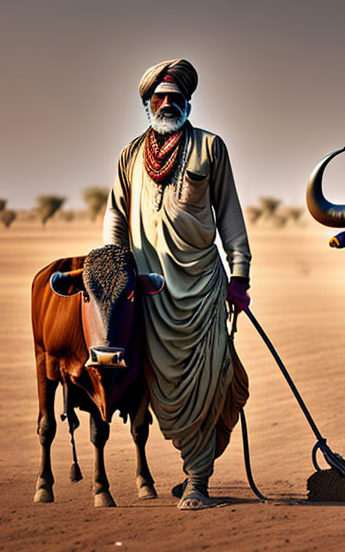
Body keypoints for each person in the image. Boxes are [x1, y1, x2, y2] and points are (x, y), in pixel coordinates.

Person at [102, 59, 252, 510]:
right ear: (148, 104)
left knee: (211, 381)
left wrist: (239, 275)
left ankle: (197, 480)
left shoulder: (210, 147)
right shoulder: (130, 154)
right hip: (149, 293)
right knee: (155, 385)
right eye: (159, 98)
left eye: (175, 97)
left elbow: (229, 213)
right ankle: (187, 469)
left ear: (189, 102)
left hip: (204, 289)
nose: (167, 104)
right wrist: (112, 264)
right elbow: (115, 212)